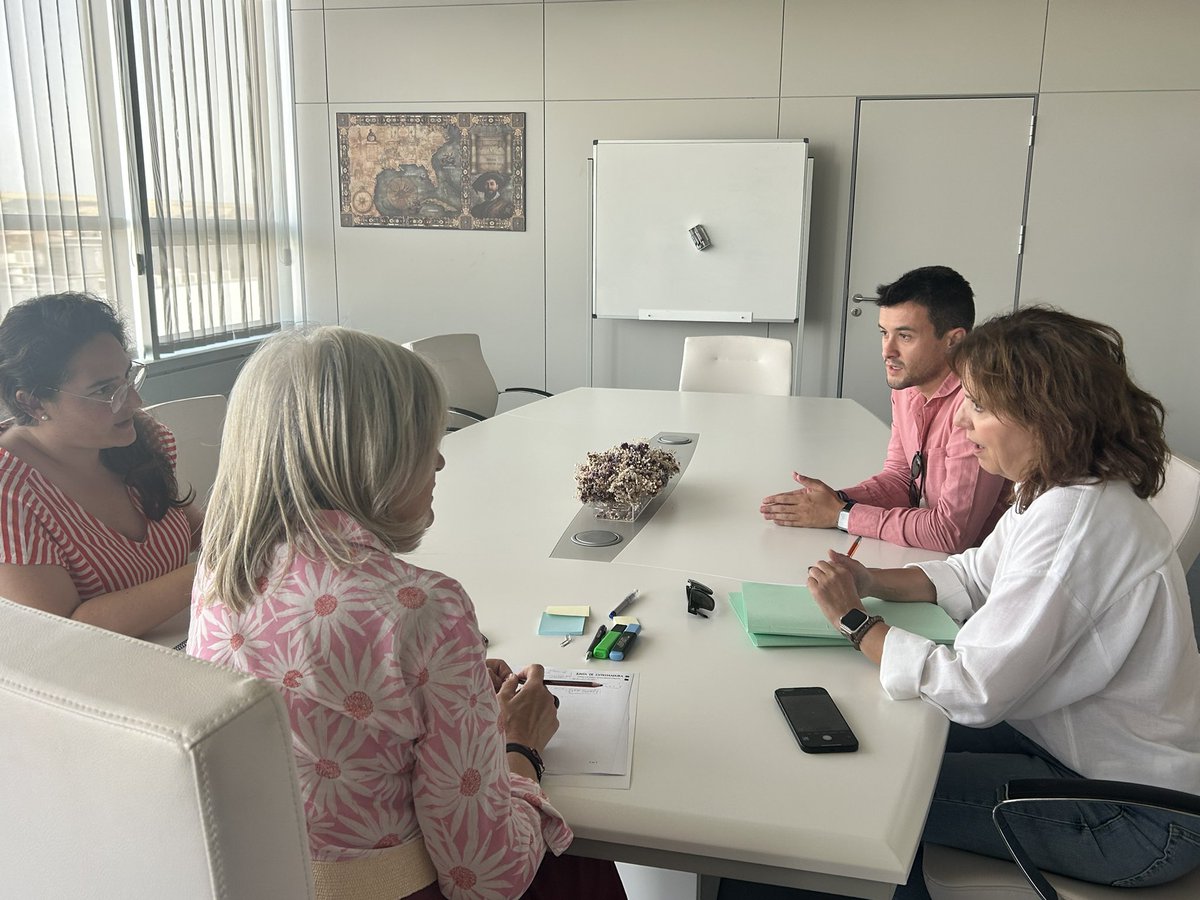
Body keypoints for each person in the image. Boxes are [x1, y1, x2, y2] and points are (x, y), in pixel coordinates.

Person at [188, 327, 624, 900]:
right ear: (376, 458)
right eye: (427, 442)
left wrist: (449, 690)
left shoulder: (220, 574)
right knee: (581, 862)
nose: (441, 460)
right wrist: (521, 748)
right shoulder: (421, 608)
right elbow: (489, 876)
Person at [797, 306, 1200, 896]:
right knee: (881, 739)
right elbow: (975, 573)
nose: (960, 420)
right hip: (1061, 747)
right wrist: (873, 580)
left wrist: (856, 624)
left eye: (980, 405)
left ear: (1045, 416)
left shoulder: (1075, 523)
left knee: (875, 795)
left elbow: (974, 689)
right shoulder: (1061, 487)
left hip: (1136, 819)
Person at [760, 266, 1009, 553]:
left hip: (975, 578)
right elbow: (900, 480)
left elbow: (950, 534)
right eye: (884, 333)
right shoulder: (906, 389)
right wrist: (832, 501)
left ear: (954, 340)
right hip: (922, 557)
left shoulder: (977, 407)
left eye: (904, 337)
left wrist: (842, 515)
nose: (886, 351)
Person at [0, 292, 201, 636]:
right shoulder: (10, 494)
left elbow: (190, 528)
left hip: (178, 639)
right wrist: (209, 570)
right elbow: (65, 631)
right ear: (32, 402)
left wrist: (256, 530)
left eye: (127, 377)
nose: (134, 401)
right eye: (105, 390)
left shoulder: (140, 438)